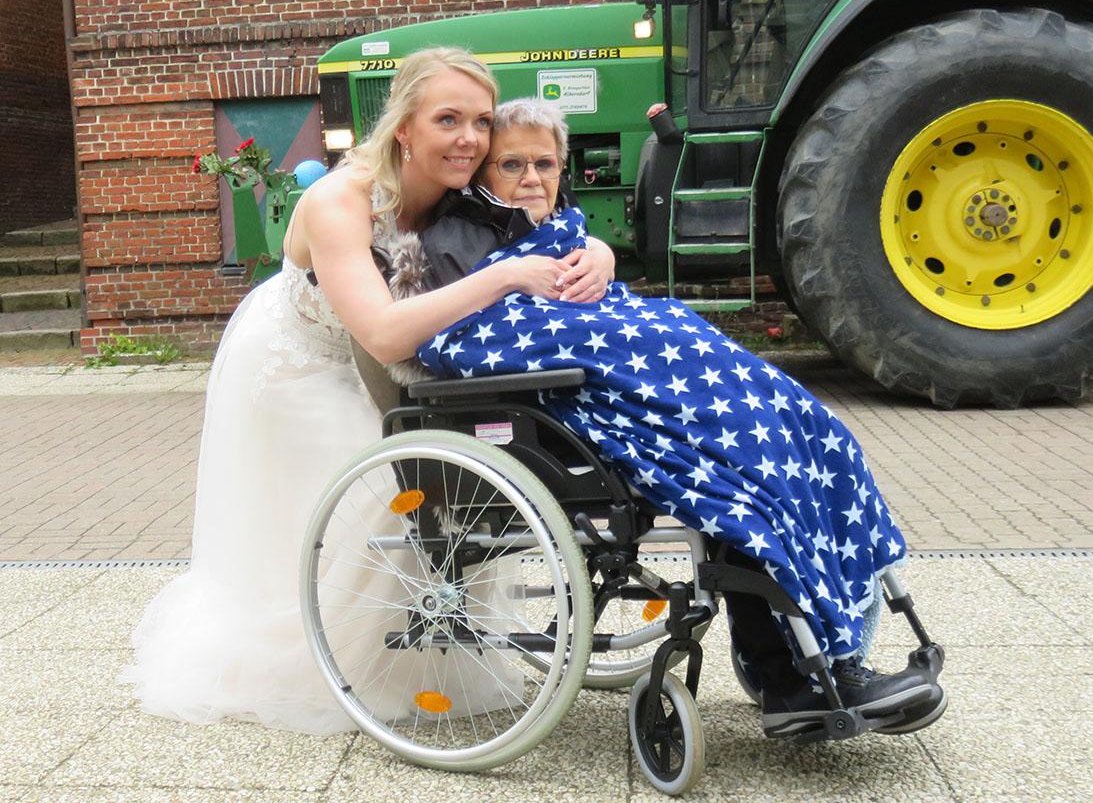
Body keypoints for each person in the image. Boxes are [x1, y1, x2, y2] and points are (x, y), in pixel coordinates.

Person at [409, 98, 947, 739]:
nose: (532, 178)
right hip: (576, 404)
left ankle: (805, 665)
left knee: (811, 433)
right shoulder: (459, 241)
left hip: (651, 385)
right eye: (512, 165)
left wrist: (598, 255)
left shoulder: (564, 231)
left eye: (545, 164)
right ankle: (794, 676)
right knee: (740, 469)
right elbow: (467, 339)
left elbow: (607, 304)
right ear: (482, 175)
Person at [119, 49, 614, 734]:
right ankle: (333, 663)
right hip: (303, 359)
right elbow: (381, 331)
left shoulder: (466, 184)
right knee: (383, 489)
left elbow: (551, 217)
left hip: (399, 360)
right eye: (448, 120)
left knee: (455, 469)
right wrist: (501, 278)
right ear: (403, 127)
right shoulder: (339, 201)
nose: (470, 139)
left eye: (480, 121)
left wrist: (598, 255)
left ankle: (434, 650)